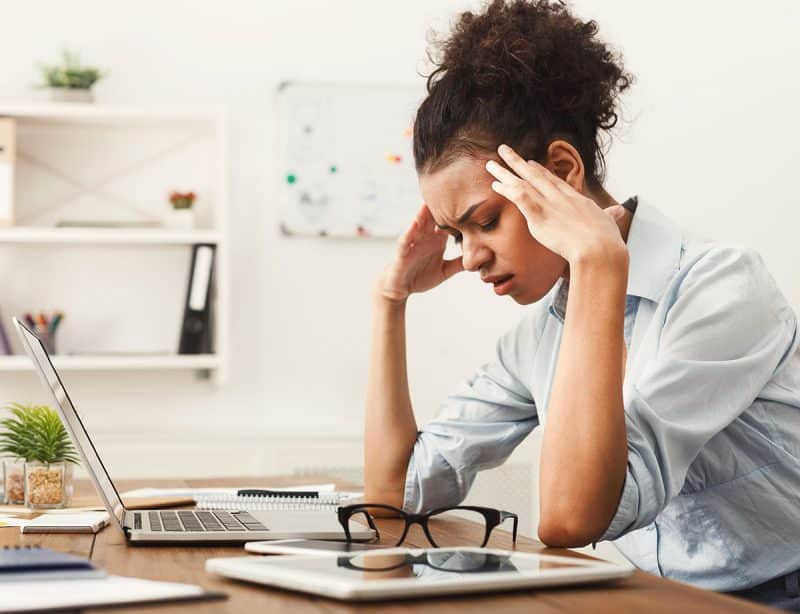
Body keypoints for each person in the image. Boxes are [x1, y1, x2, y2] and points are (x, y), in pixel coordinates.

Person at [362, 0, 800, 610]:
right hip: (659, 597)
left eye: (483, 222)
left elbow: (571, 520)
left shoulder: (722, 286)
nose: (469, 258)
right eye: (456, 236)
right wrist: (391, 300)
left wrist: (597, 260)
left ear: (561, 171)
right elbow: (394, 495)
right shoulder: (539, 333)